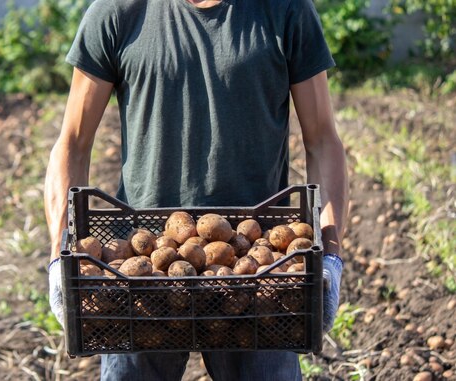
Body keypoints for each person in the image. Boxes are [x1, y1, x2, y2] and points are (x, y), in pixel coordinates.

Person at [44, 0, 348, 379]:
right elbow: (72, 143)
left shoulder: (285, 10)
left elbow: (322, 141)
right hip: (142, 273)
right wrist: (60, 255)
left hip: (258, 265)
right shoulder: (117, 11)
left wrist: (331, 256)